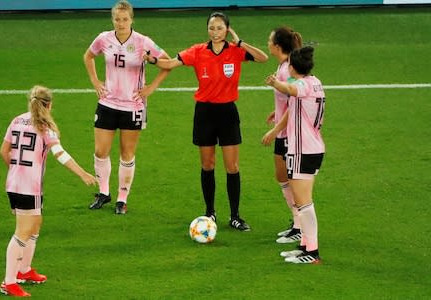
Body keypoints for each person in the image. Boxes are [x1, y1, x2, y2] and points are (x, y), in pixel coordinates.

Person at [144, 12, 268, 231]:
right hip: (205, 113)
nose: (215, 32)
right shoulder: (198, 51)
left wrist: (239, 42)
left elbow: (263, 58)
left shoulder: (236, 51)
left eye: (220, 28)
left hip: (228, 113)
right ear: (207, 30)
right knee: (207, 164)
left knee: (232, 166)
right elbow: (172, 63)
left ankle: (235, 216)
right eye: (212, 28)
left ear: (227, 29)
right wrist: (153, 60)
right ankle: (209, 211)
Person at [0, 85, 97, 296]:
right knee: (22, 231)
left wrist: (17, 170)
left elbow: (3, 151)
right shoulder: (44, 127)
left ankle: (24, 270)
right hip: (28, 187)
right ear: (49, 105)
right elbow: (60, 154)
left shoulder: (17, 120)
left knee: (35, 224)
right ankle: (9, 281)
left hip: (14, 184)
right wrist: (83, 174)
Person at [84, 0, 170, 214]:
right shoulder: (104, 38)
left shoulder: (142, 42)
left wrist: (151, 87)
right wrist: (95, 81)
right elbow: (88, 56)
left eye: (124, 19)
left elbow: (167, 62)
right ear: (112, 19)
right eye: (117, 19)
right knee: (100, 151)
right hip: (107, 103)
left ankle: (122, 199)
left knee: (127, 153)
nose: (120, 23)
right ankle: (104, 193)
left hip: (133, 106)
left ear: (132, 19)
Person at [262, 46, 325, 264]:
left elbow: (291, 89)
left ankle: (313, 252)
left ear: (292, 67)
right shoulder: (315, 81)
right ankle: (305, 246)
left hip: (303, 149)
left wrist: (274, 83)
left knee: (304, 202)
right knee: (302, 200)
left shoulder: (303, 84)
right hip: (311, 147)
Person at [266, 26, 303, 244]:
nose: (267, 43)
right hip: (285, 130)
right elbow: (287, 101)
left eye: (269, 40)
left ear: (277, 46)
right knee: (282, 176)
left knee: (289, 178)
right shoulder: (283, 66)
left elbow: (294, 103)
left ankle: (299, 226)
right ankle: (296, 221)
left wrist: (275, 129)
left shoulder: (287, 69)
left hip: (289, 133)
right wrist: (276, 112)